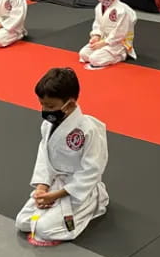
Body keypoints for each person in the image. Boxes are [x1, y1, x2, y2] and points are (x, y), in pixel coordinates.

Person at [15, 67, 109, 246]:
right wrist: (42, 188)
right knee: (24, 221)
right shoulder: (48, 126)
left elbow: (91, 171)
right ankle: (51, 211)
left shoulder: (89, 130)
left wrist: (56, 195)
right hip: (55, 186)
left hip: (79, 191)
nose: (44, 110)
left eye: (50, 106)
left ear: (71, 104)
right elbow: (44, 158)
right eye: (42, 104)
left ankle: (95, 204)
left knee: (42, 229)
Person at [78, 0, 137, 69]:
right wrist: (96, 36)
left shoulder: (122, 11)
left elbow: (120, 33)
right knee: (83, 54)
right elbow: (97, 24)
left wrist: (104, 43)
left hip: (118, 44)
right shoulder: (98, 7)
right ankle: (103, 53)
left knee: (94, 59)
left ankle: (121, 55)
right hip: (103, 39)